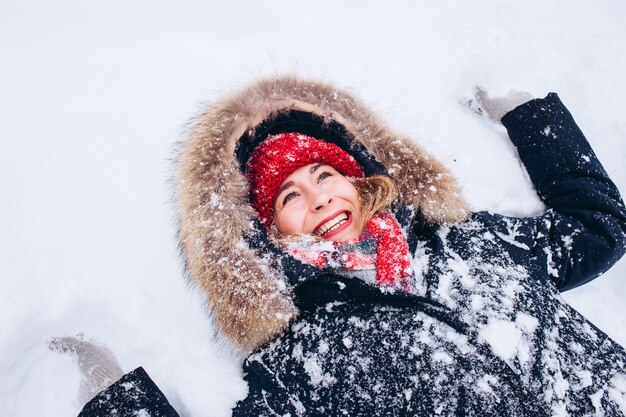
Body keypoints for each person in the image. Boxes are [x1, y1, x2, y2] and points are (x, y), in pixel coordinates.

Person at [62, 76, 626, 416]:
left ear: (358, 181)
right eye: (290, 195)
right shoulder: (299, 360)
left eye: (324, 175)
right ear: (270, 232)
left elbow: (597, 228)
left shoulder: (468, 245)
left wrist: (529, 117)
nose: (321, 199)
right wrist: (112, 396)